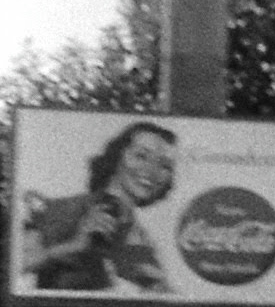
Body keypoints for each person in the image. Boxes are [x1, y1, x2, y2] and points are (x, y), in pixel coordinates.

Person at [20, 120, 177, 294]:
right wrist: (75, 245)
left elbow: (160, 298)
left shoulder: (140, 238)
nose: (151, 171)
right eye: (141, 156)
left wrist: (157, 287)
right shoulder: (69, 208)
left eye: (164, 166)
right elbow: (18, 264)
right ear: (117, 156)